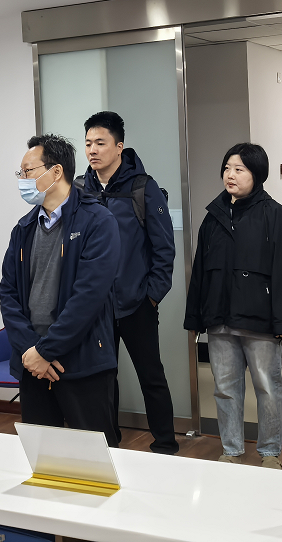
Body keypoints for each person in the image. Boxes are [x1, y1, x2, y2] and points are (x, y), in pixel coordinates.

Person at [184, 143, 282, 468]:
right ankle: (231, 449)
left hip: (260, 320)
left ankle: (270, 452)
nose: (230, 175)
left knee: (267, 386)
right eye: (227, 168)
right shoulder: (213, 218)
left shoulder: (276, 215)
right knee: (224, 388)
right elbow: (200, 272)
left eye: (239, 169)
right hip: (220, 318)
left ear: (257, 174)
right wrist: (195, 317)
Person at [0, 134, 122, 446]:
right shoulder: (23, 228)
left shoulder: (97, 221)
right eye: (21, 173)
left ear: (56, 172)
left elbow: (88, 298)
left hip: (81, 360)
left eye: (28, 171)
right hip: (32, 363)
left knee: (96, 456)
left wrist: (46, 351)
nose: (22, 179)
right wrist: (31, 351)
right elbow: (8, 294)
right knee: (42, 455)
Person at [80, 112, 178, 454]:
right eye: (88, 143)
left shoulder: (142, 188)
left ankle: (165, 444)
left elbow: (164, 249)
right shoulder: (79, 189)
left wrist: (151, 296)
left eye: (100, 143)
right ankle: (109, 444)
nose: (93, 150)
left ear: (119, 146)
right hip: (95, 308)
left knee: (151, 376)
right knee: (102, 379)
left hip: (136, 304)